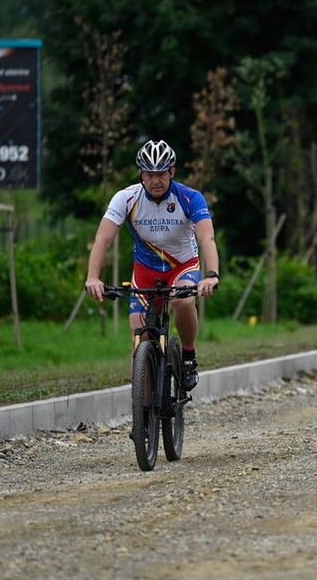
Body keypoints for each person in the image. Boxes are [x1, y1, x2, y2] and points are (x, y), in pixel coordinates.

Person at [84, 140, 220, 392]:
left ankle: (188, 356)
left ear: (172, 172)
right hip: (145, 270)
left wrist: (211, 275)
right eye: (149, 174)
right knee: (139, 335)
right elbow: (103, 238)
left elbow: (206, 238)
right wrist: (93, 277)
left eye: (161, 174)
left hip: (182, 266)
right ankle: (142, 406)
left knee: (182, 302)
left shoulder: (190, 197)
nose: (155, 180)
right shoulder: (126, 198)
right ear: (141, 174)